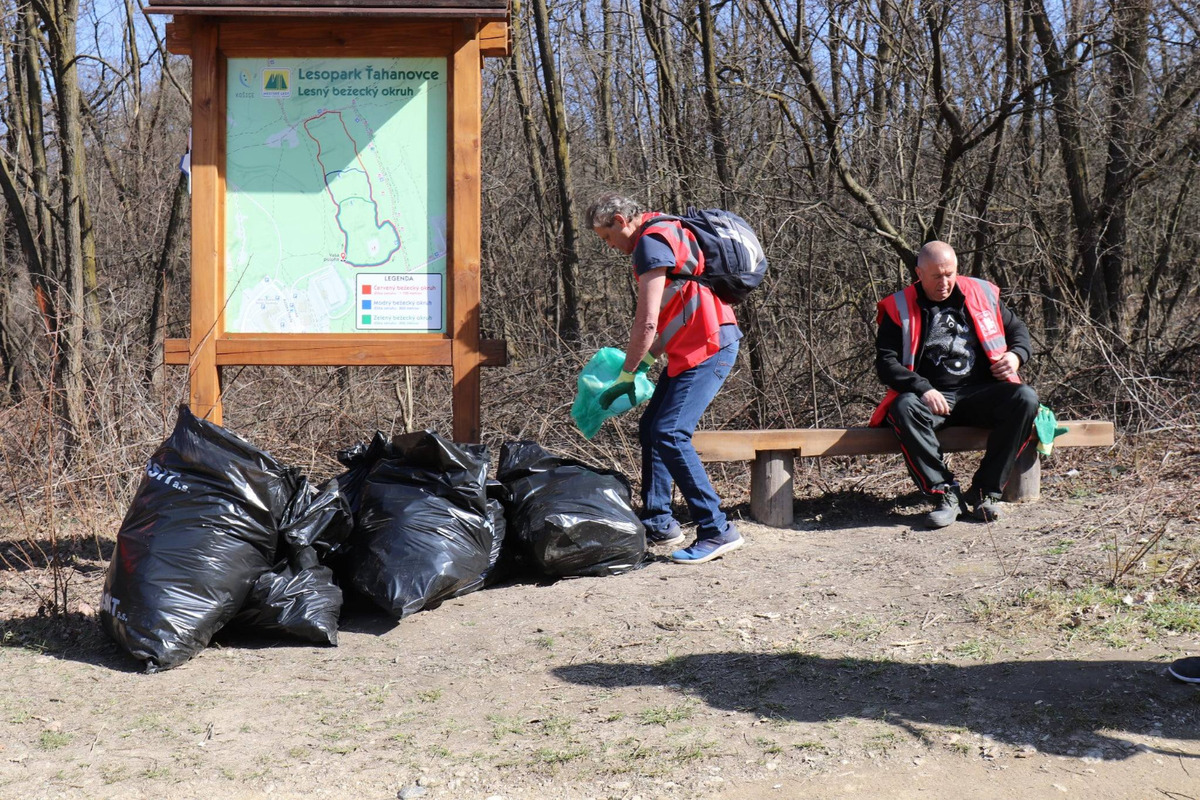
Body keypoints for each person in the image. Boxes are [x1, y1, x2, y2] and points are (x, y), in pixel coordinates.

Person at [586, 192, 743, 564]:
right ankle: (659, 522)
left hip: (710, 345)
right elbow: (679, 311)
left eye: (607, 237)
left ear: (621, 221)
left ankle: (716, 529)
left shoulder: (650, 243)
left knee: (670, 432)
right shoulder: (665, 231)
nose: (609, 246)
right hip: (693, 345)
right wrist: (645, 363)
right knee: (652, 427)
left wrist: (627, 374)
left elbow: (647, 321)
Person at [871, 241, 1039, 528]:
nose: (944, 282)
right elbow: (886, 364)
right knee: (903, 406)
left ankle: (986, 492)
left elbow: (1018, 330)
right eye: (936, 276)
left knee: (1025, 398)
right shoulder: (898, 306)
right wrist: (923, 388)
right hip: (932, 398)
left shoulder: (982, 293)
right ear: (919, 274)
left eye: (950, 274)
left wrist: (1016, 356)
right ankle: (945, 494)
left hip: (981, 393)